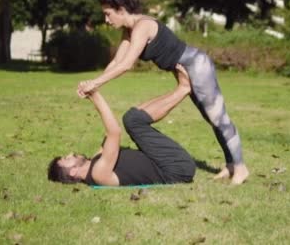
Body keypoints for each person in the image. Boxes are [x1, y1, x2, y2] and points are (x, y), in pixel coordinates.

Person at [77, 0, 249, 184]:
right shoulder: (128, 31)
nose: (106, 19)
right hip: (186, 70)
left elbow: (127, 65)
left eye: (108, 14)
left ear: (121, 9)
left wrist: (95, 83)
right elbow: (116, 62)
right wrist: (95, 83)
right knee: (210, 117)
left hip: (196, 64)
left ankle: (241, 168)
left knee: (217, 116)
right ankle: (231, 164)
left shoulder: (143, 26)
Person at [49, 65, 196, 186]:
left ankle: (181, 88)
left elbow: (109, 136)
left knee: (132, 117)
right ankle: (184, 88)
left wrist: (90, 93)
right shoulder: (98, 174)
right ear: (72, 172)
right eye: (66, 159)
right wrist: (95, 95)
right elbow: (114, 133)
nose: (70, 154)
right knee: (133, 121)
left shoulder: (95, 160)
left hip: (165, 162)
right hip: (176, 168)